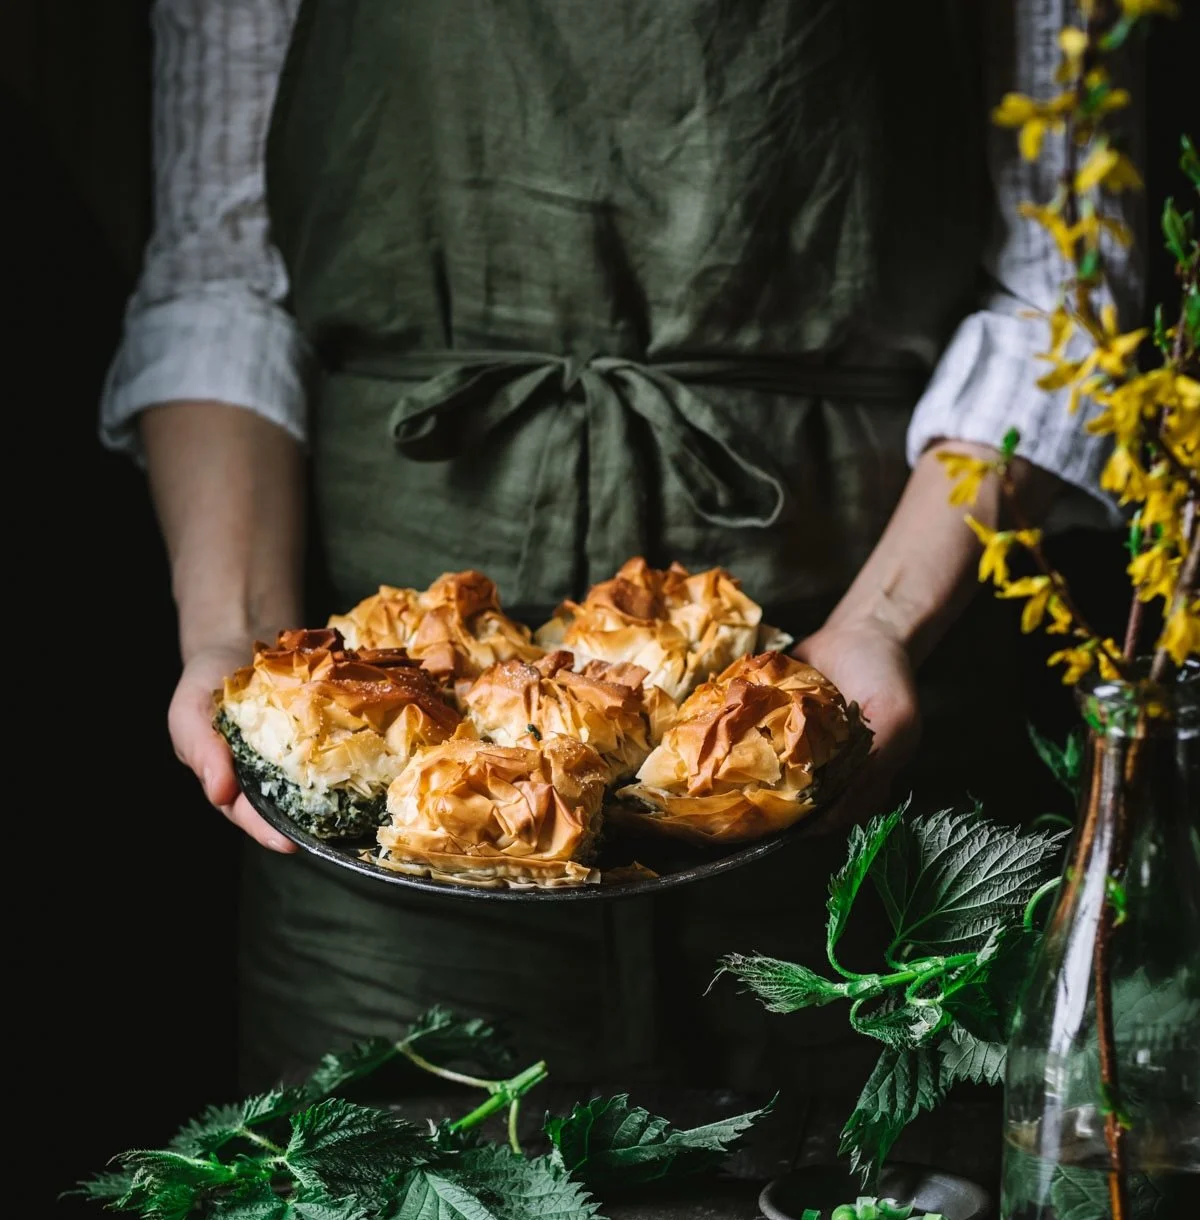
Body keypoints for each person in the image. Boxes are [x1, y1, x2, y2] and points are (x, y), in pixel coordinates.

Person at [101, 0, 1140, 1092]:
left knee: (885, 1205)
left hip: (868, 727)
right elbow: (218, 283)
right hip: (380, 879)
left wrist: (881, 624)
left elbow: (1060, 300)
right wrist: (232, 635)